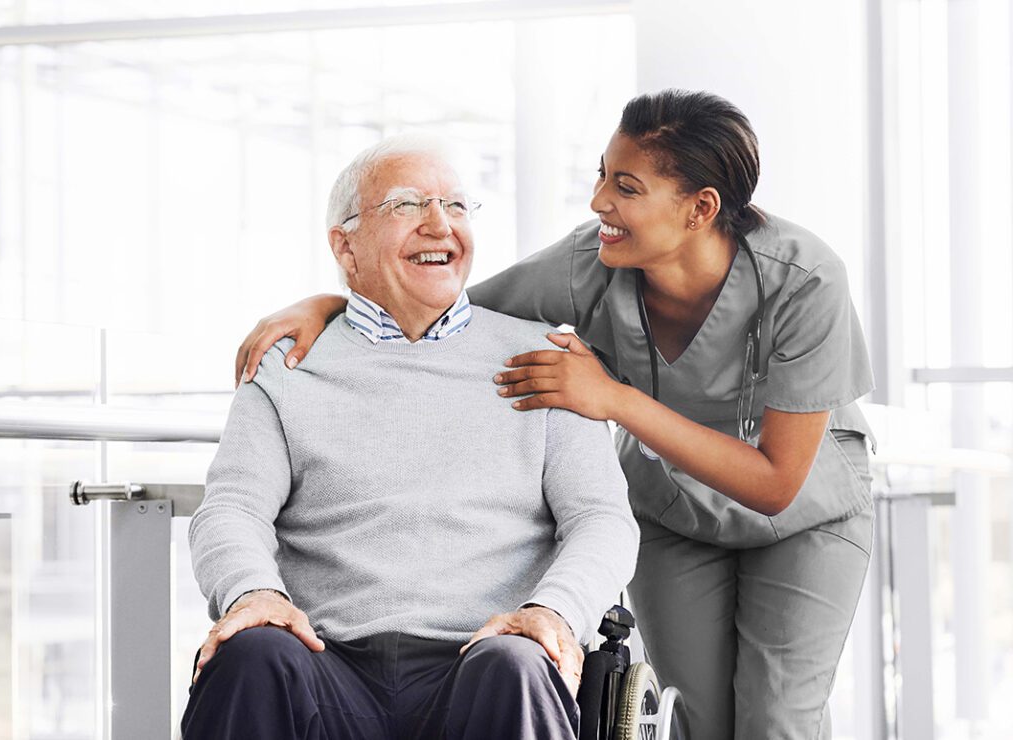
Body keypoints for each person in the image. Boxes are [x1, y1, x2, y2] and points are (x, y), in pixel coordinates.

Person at [236, 90, 876, 740]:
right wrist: (330, 303)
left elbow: (775, 484)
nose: (599, 200)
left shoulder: (805, 281)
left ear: (699, 208)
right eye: (601, 174)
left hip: (803, 519)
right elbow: (436, 305)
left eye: (625, 186)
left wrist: (613, 399)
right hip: (678, 513)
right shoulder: (590, 262)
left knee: (778, 722)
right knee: (698, 723)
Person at [184, 135, 640, 740]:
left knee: (516, 663)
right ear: (345, 246)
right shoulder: (287, 369)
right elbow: (231, 509)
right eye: (406, 205)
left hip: (484, 658)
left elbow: (602, 519)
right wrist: (252, 593)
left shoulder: (546, 359)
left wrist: (551, 611)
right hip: (327, 660)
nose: (439, 225)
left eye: (455, 206)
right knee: (252, 654)